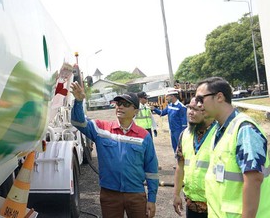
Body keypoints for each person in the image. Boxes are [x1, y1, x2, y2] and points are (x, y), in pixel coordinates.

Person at [70, 82, 159, 218]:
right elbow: (78, 122)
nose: (120, 106)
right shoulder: (102, 129)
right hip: (110, 194)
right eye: (118, 104)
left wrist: (151, 199)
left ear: (135, 111)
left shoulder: (144, 136)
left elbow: (151, 170)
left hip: (135, 194)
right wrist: (78, 101)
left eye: (126, 104)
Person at [195, 77, 269, 217]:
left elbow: (254, 179)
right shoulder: (219, 130)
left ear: (219, 97)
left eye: (200, 99)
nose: (198, 105)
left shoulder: (245, 129)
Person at [173, 97, 218, 218]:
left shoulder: (220, 134)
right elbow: (180, 166)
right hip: (192, 205)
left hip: (215, 206)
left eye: (196, 109)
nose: (190, 112)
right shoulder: (185, 134)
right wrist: (176, 194)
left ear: (208, 111)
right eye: (189, 107)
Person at [152, 89, 188, 153]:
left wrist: (182, 134)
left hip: (179, 131)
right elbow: (162, 113)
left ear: (172, 96)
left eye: (167, 96)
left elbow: (184, 124)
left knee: (181, 148)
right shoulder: (169, 106)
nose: (166, 98)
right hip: (172, 131)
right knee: (175, 148)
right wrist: (154, 109)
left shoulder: (181, 107)